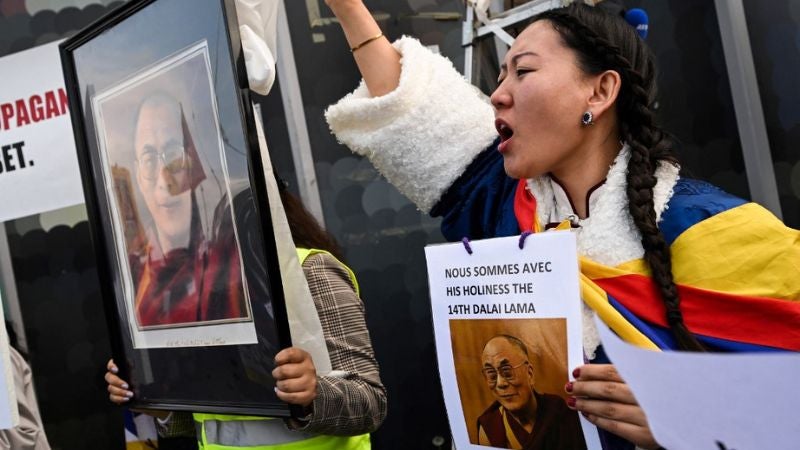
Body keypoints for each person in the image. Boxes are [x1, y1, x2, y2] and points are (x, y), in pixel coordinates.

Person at [322, 1, 800, 449]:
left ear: (601, 90)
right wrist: (347, 8)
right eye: (502, 72)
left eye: (524, 71)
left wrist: (701, 421)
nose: (497, 94)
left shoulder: (708, 227)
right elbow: (409, 109)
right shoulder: (504, 207)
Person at [105, 185, 387, 449]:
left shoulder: (310, 271)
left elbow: (370, 402)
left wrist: (314, 394)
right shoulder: (204, 291)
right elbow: (215, 420)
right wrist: (154, 402)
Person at [127, 92, 248, 327]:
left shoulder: (235, 255)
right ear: (138, 178)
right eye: (149, 160)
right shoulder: (133, 272)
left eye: (174, 155)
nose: (164, 181)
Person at [478, 335, 584, 450]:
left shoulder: (559, 412)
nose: (500, 383)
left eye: (507, 372)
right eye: (492, 375)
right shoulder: (490, 428)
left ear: (530, 374)